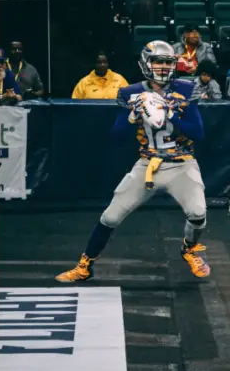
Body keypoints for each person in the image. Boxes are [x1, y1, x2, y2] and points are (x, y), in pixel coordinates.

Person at [56, 41, 209, 282]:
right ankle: (84, 265)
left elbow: (198, 133)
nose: (163, 67)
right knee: (110, 217)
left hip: (181, 162)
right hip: (147, 164)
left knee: (198, 213)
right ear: (146, 64)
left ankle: (189, 248)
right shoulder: (130, 93)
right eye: (158, 61)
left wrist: (168, 113)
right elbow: (116, 137)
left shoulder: (187, 89)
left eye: (168, 62)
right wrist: (131, 116)